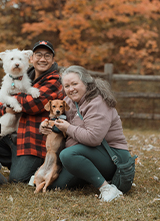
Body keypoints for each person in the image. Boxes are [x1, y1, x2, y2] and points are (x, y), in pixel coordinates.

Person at [40, 65, 131, 202]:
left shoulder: (97, 102)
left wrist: (68, 128)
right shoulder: (69, 101)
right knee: (57, 186)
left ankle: (107, 188)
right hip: (88, 152)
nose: (71, 89)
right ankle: (92, 176)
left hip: (113, 155)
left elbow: (93, 138)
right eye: (67, 86)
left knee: (68, 154)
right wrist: (46, 126)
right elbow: (58, 121)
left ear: (86, 82)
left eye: (75, 84)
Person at [0, 41, 64, 183]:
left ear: (53, 60)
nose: (42, 59)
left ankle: (36, 165)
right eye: (38, 55)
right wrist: (6, 107)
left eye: (47, 56)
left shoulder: (55, 80)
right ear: (31, 58)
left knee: (18, 179)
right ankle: (18, 161)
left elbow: (33, 104)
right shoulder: (23, 76)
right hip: (15, 134)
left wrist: (10, 99)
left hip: (34, 140)